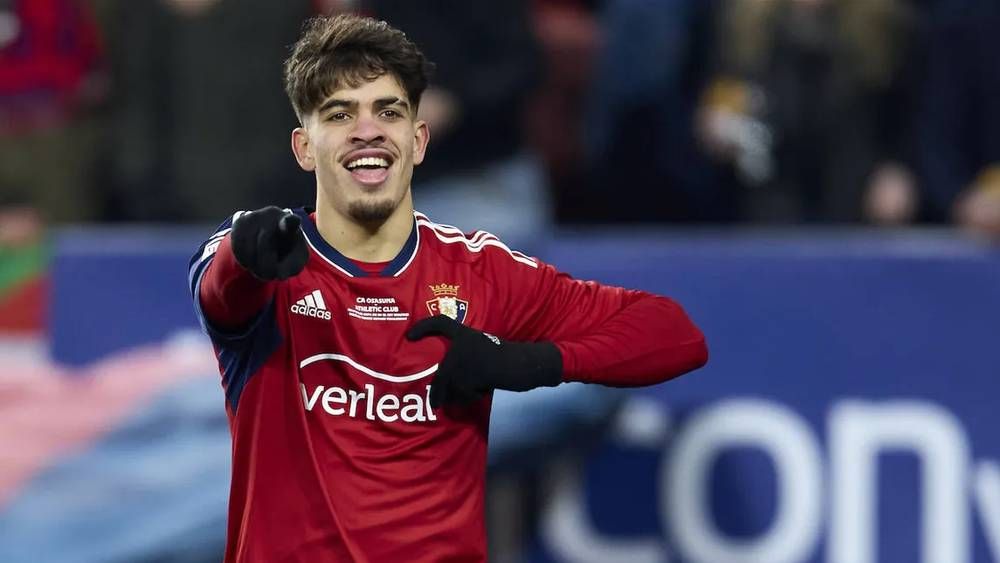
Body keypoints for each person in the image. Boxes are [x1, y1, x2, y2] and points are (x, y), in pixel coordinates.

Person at [187, 14, 708, 562]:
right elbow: (223, 290)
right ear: (304, 148)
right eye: (340, 114)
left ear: (418, 140)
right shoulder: (268, 258)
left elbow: (675, 336)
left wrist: (522, 363)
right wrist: (245, 254)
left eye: (388, 112)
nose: (367, 130)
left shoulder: (480, 270)